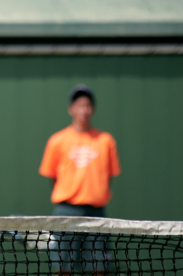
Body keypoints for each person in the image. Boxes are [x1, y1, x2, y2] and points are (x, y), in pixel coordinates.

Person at [38, 84, 121, 275]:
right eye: (79, 105)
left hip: (96, 213)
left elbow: (108, 177)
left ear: (93, 109)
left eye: (88, 105)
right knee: (62, 267)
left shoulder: (106, 140)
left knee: (98, 267)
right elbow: (52, 177)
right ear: (71, 109)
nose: (83, 110)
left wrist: (94, 194)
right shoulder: (57, 140)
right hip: (66, 211)